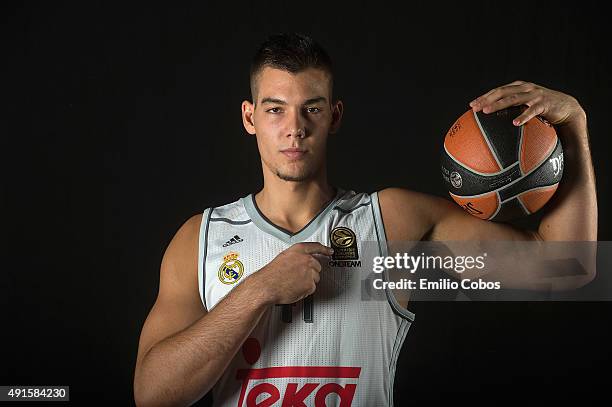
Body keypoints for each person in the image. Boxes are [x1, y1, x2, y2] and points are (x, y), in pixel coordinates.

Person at [133, 33, 597, 406]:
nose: (294, 127)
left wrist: (573, 125)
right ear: (250, 117)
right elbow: (152, 394)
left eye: (311, 108)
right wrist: (258, 289)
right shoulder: (202, 237)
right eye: (275, 109)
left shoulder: (392, 224)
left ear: (334, 116)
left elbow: (567, 269)